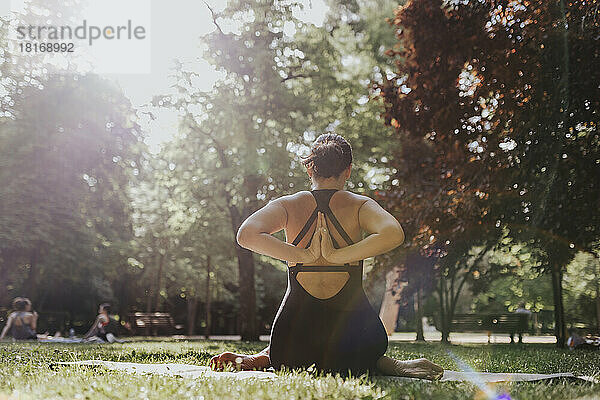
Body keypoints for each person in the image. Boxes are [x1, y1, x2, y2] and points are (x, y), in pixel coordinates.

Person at [210, 134, 444, 380]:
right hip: (359, 348)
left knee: (290, 352)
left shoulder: (289, 205)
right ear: (348, 170)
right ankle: (382, 363)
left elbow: (246, 235)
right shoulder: (359, 205)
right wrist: (338, 256)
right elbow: (394, 233)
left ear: (310, 167)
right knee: (366, 355)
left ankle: (264, 357)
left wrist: (303, 255)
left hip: (290, 348)